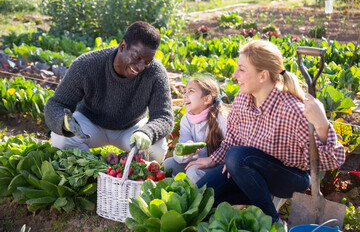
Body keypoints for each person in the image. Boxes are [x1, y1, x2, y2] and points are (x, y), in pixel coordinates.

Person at [186, 40, 345, 224]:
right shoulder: (242, 99)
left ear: (263, 76)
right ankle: (248, 204)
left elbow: (330, 160)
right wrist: (213, 159)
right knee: (200, 198)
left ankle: (273, 222)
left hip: (290, 178)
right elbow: (232, 140)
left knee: (237, 157)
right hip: (248, 171)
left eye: (242, 69)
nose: (235, 74)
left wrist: (322, 125)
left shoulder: (292, 109)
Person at [44, 21, 174, 163]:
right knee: (61, 139)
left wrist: (147, 132)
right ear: (122, 46)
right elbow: (56, 104)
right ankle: (94, 166)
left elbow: (164, 116)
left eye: (147, 62)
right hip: (91, 124)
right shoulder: (86, 65)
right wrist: (64, 122)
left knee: (157, 149)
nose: (141, 67)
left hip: (131, 128)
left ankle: (126, 168)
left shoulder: (156, 73)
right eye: (137, 58)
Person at [163, 77, 227, 183]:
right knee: (169, 164)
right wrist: (185, 153)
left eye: (191, 91)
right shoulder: (186, 120)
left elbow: (232, 147)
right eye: (184, 92)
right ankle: (184, 189)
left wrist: (214, 160)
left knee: (193, 171)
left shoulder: (221, 119)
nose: (185, 96)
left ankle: (206, 194)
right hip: (200, 164)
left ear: (206, 99)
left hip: (220, 166)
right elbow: (179, 156)